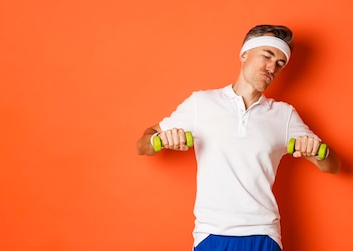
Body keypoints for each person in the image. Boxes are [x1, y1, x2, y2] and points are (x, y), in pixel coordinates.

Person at [135, 24, 342, 251]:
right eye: (267, 55)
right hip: (212, 234)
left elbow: (331, 166)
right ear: (244, 54)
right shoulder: (201, 103)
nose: (272, 66)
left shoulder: (284, 115)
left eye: (280, 63)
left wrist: (317, 149)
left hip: (264, 233)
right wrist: (161, 140)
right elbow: (143, 145)